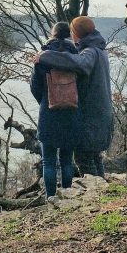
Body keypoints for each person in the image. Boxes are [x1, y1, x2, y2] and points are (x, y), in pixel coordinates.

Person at [35, 16, 113, 178]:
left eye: (73, 31)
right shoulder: (100, 50)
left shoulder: (90, 52)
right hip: (101, 114)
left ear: (77, 33)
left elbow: (78, 63)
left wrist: (45, 55)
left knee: (83, 158)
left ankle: (95, 195)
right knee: (95, 157)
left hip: (92, 115)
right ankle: (102, 189)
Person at [30, 21, 80, 199]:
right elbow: (82, 85)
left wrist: (45, 101)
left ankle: (51, 198)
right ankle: (66, 196)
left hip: (48, 114)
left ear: (53, 34)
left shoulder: (42, 57)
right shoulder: (76, 55)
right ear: (68, 35)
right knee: (67, 160)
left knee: (49, 161)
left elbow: (35, 87)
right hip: (72, 113)